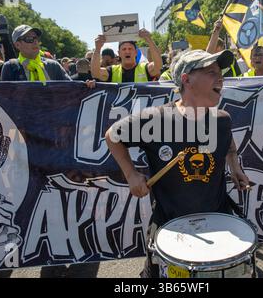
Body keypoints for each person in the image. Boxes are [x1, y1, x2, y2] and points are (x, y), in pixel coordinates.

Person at [104, 49, 250, 278]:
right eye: (211, 72)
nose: (220, 77)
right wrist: (131, 175)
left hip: (218, 224)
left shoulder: (222, 119)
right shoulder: (155, 119)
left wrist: (235, 166)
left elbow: (229, 144)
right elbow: (113, 135)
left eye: (220, 72)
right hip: (170, 230)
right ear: (186, 79)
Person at [0, 25, 71, 82]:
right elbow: (5, 97)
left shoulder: (53, 66)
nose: (35, 42)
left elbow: (72, 90)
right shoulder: (10, 67)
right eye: (29, 39)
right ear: (17, 45)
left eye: (36, 38)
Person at [91, 29, 162, 83]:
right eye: (124, 49)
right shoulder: (112, 70)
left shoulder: (145, 68)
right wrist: (98, 48)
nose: (127, 51)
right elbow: (95, 73)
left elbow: (158, 65)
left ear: (136, 52)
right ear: (119, 53)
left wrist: (149, 40)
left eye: (130, 49)